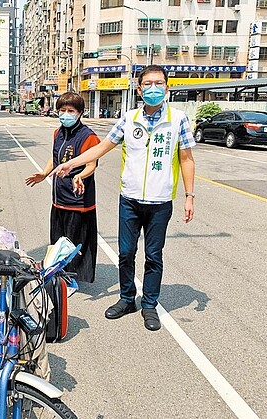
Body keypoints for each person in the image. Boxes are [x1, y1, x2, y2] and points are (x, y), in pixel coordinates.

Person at [52, 65, 196, 331]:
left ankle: (149, 304)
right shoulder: (129, 119)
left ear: (166, 87)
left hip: (160, 202)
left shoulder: (178, 120)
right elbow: (101, 148)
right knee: (126, 253)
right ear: (139, 89)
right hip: (129, 199)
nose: (153, 88)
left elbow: (186, 158)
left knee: (153, 255)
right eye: (148, 84)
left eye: (159, 83)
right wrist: (71, 164)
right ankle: (127, 298)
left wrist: (189, 196)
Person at [25, 91, 100, 283]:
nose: (65, 114)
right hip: (59, 198)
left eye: (70, 110)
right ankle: (57, 274)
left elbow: (91, 165)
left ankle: (72, 278)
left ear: (80, 113)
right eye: (62, 110)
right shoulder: (58, 133)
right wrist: (44, 173)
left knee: (75, 241)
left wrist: (79, 176)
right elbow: (55, 157)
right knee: (58, 239)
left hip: (78, 199)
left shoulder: (88, 137)